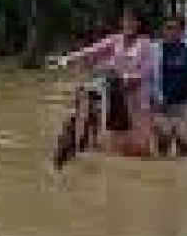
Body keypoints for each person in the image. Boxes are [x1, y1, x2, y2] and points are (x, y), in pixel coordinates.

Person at [55, 10, 156, 157]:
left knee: (139, 150)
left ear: (139, 24)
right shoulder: (115, 40)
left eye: (132, 21)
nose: (127, 24)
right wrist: (68, 58)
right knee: (85, 94)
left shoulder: (146, 44)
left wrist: (127, 78)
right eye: (125, 20)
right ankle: (80, 137)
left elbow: (146, 72)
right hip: (113, 89)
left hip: (137, 97)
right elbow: (92, 50)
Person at [152, 16, 187, 158]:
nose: (170, 32)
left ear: (181, 31)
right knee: (163, 141)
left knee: (183, 143)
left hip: (184, 102)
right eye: (168, 28)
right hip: (162, 102)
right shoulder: (157, 48)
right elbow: (151, 75)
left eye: (174, 28)